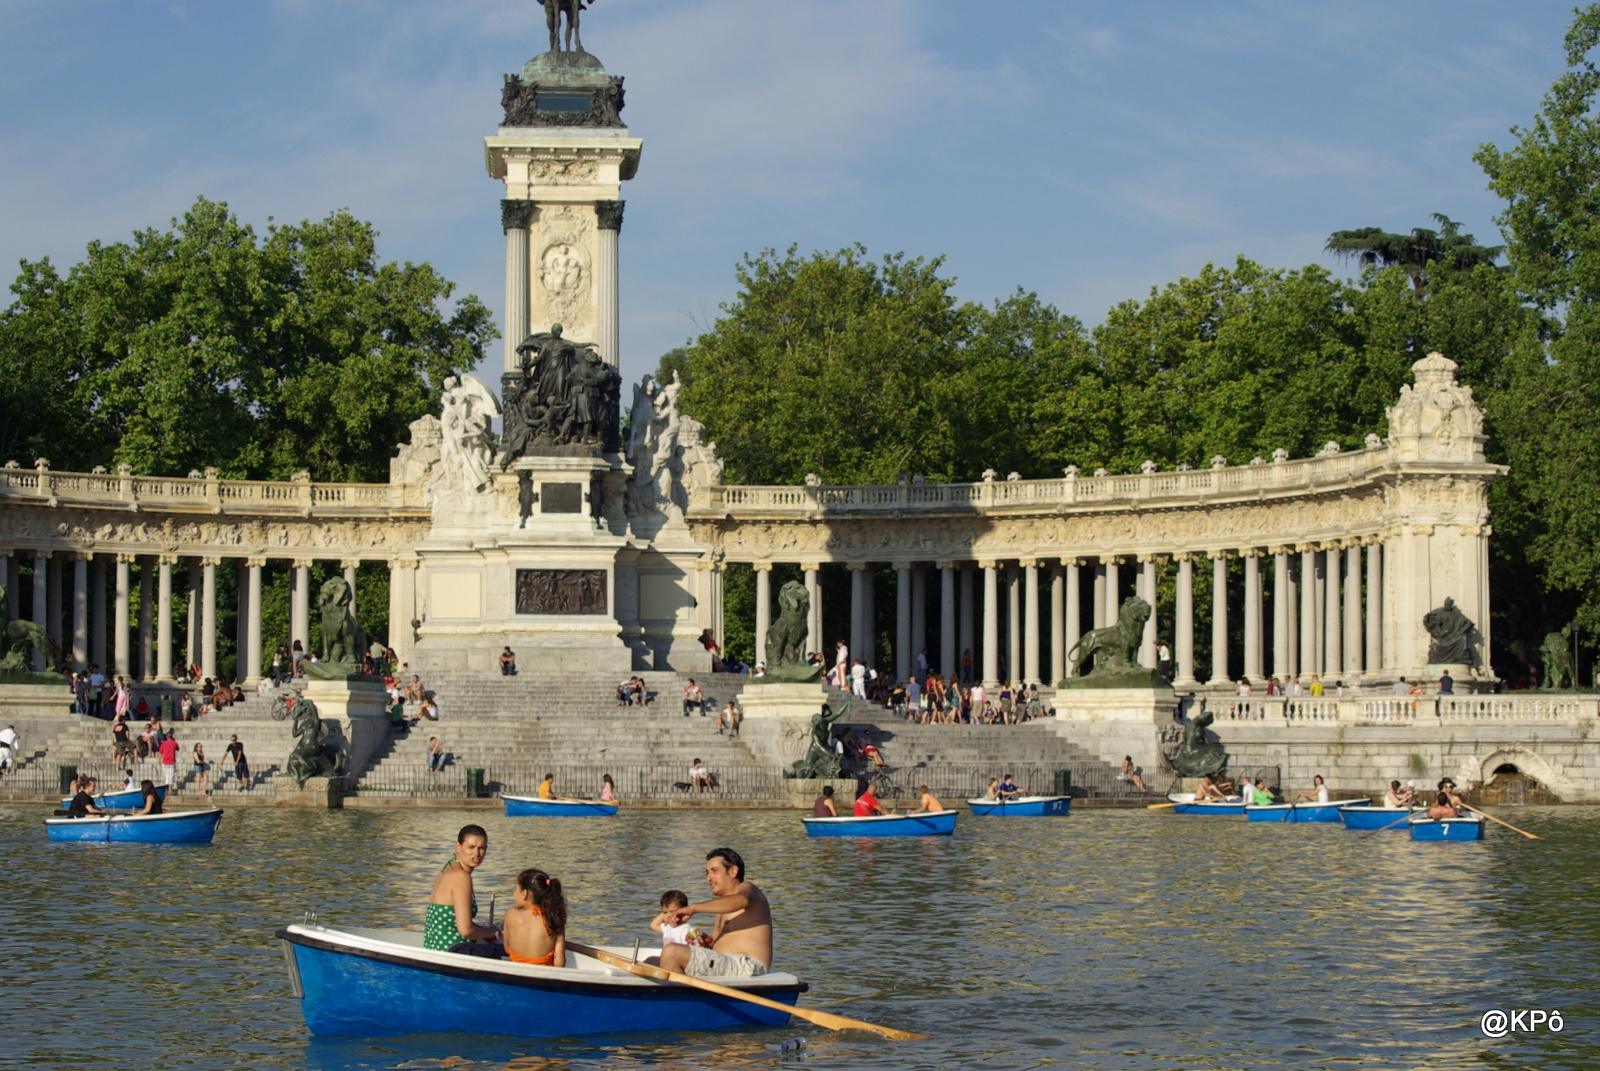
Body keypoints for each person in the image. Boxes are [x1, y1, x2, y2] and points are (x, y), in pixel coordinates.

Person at [657, 848, 772, 978]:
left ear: (733, 871)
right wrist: (706, 943)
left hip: (748, 966)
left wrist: (693, 908)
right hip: (727, 965)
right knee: (652, 961)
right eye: (707, 873)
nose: (708, 878)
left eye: (714, 871)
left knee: (671, 952)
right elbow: (717, 948)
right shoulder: (722, 907)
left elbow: (743, 900)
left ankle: (678, 991)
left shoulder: (747, 888)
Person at [425, 824, 501, 952]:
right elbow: (465, 930)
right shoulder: (461, 877)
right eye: (471, 847)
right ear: (458, 846)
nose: (476, 853)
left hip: (434, 947)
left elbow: (452, 921)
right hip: (452, 951)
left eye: (481, 848)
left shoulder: (448, 867)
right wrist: (490, 932)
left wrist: (481, 930)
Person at [502, 868, 567, 967]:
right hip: (544, 973)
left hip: (518, 972)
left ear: (524, 894)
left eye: (515, 889)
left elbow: (507, 949)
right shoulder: (554, 918)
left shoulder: (511, 915)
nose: (513, 893)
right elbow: (559, 962)